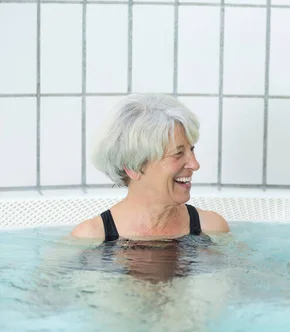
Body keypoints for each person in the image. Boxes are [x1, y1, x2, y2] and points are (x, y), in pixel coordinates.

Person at [71, 93, 229, 242]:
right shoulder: (91, 237)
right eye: (178, 153)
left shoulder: (211, 228)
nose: (195, 164)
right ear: (133, 168)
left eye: (191, 149)